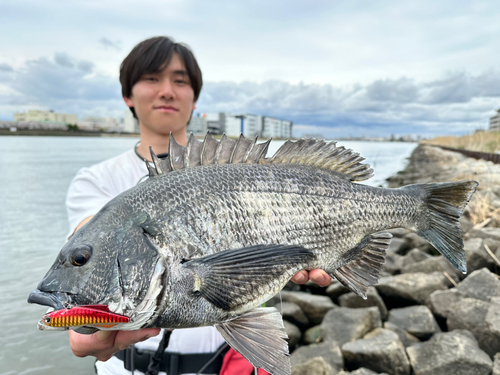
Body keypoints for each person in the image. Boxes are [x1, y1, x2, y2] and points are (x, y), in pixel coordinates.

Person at [66, 36, 331, 375]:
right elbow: (91, 254)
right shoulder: (96, 180)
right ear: (127, 95)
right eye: (151, 78)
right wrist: (85, 324)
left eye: (180, 81)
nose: (167, 91)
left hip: (227, 361)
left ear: (194, 98)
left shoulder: (230, 172)